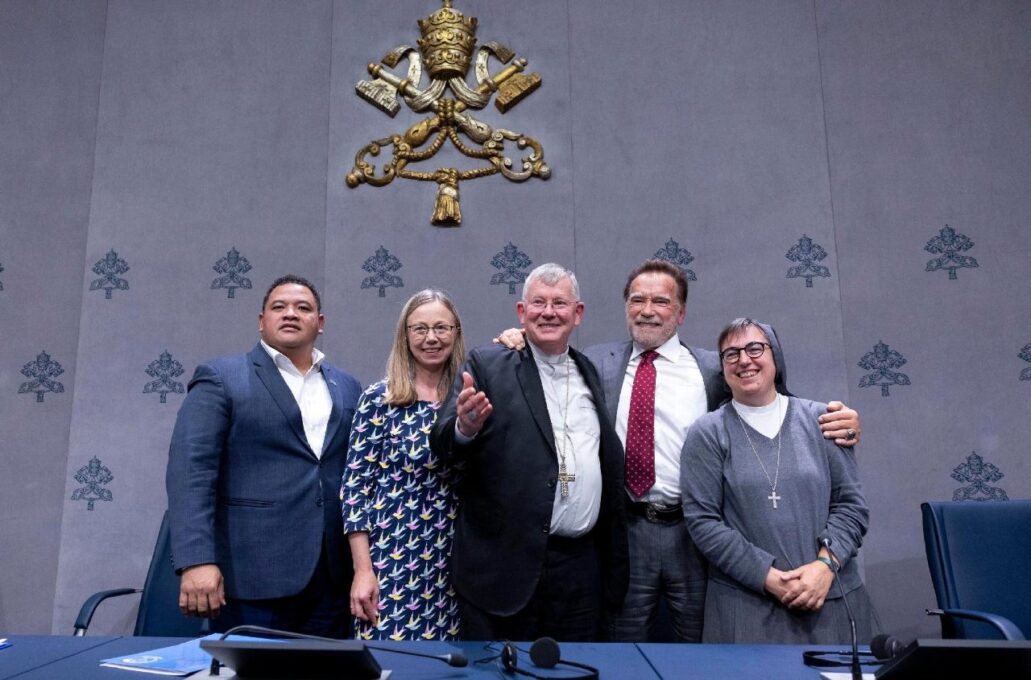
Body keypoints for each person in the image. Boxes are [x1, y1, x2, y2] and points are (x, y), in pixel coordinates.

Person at [498, 259, 862, 642]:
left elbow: (768, 402)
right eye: (637, 300)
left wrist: (843, 420)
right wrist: (518, 338)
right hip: (625, 532)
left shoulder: (713, 369)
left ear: (681, 313)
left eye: (661, 301)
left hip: (695, 534)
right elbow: (548, 365)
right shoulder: (594, 364)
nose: (647, 310)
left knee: (703, 649)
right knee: (623, 650)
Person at [430, 263, 629, 641]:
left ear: (578, 313)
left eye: (559, 303)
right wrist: (464, 429)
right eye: (538, 303)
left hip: (579, 571)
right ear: (522, 313)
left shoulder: (589, 370)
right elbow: (442, 442)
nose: (548, 312)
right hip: (505, 569)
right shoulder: (488, 364)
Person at [166, 275, 362, 637]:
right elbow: (190, 473)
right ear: (261, 321)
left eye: (303, 308)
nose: (290, 314)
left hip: (332, 579)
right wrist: (196, 561)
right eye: (279, 307)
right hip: (251, 576)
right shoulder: (222, 377)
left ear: (320, 324)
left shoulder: (348, 387)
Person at [681, 318, 875, 644]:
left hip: (829, 599)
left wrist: (824, 568)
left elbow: (851, 506)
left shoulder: (823, 420)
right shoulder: (708, 433)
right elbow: (703, 522)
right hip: (745, 608)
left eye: (755, 348)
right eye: (731, 354)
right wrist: (767, 577)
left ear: (775, 357)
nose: (744, 360)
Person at [341, 290, 465, 641]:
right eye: (420, 328)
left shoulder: (469, 397)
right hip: (393, 564)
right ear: (405, 335)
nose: (431, 338)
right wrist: (363, 570)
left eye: (441, 327)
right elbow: (355, 490)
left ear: (455, 332)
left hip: (459, 565)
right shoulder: (380, 399)